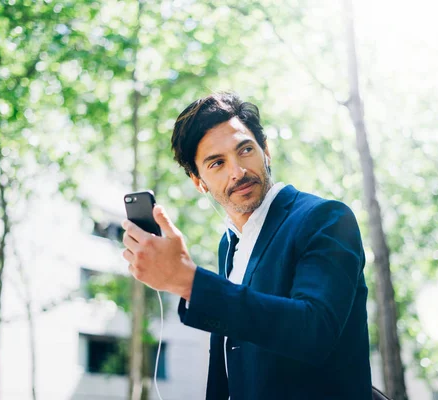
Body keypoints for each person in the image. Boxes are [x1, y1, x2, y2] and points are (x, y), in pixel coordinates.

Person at [122, 92, 372, 399]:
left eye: (245, 150)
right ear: (198, 181)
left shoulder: (325, 218)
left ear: (265, 150)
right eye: (217, 163)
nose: (237, 171)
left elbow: (314, 331)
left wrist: (189, 282)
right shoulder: (228, 246)